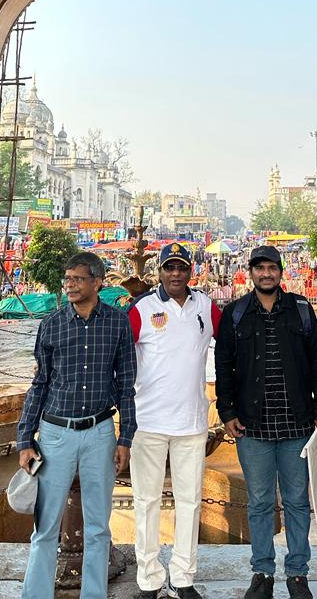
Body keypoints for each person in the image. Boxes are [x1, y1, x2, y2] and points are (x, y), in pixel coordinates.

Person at [16, 253, 137, 599]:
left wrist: (125, 436)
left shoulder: (117, 324)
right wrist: (25, 438)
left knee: (98, 528)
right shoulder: (51, 325)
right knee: (45, 528)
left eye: (77, 279)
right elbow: (39, 384)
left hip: (100, 432)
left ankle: (93, 594)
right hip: (55, 434)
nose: (69, 285)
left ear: (98, 282)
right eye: (67, 279)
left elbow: (126, 383)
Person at [215, 245, 317, 599]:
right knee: (260, 501)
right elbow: (224, 368)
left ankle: (297, 572)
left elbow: (315, 362)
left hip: (297, 423)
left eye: (272, 268)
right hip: (253, 425)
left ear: (281, 272)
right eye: (259, 268)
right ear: (250, 273)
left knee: (297, 500)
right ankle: (262, 571)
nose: (266, 274)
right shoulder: (235, 313)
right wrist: (227, 412)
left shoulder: (300, 309)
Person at [128, 242, 222, 599]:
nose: (176, 274)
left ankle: (183, 576)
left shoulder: (206, 307)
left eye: (182, 267)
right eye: (170, 267)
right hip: (148, 421)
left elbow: (231, 343)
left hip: (192, 422)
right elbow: (121, 357)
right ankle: (149, 579)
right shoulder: (142, 309)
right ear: (160, 272)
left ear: (190, 271)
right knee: (146, 501)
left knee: (190, 501)